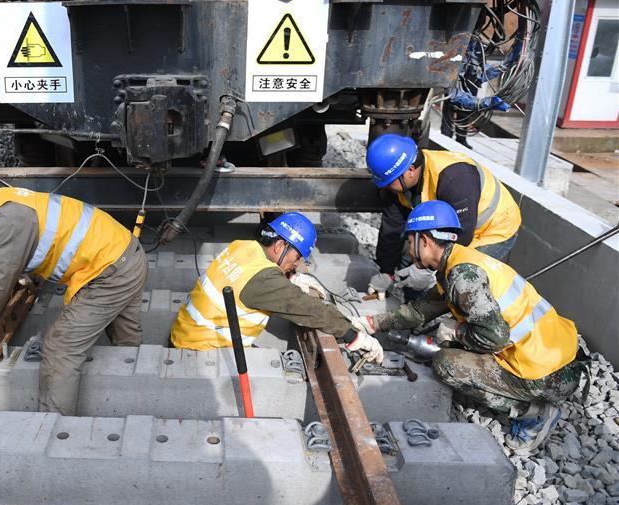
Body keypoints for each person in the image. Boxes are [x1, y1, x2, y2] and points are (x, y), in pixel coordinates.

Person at [353, 201, 582, 452]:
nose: (408, 248)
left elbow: (494, 337)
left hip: (548, 374)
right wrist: (373, 323)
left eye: (410, 241)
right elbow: (420, 311)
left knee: (446, 364)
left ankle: (534, 412)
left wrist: (458, 331)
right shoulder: (458, 263)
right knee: (456, 346)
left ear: (426, 240)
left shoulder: (463, 276)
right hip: (559, 355)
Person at [0, 187, 148, 416]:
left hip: (109, 273)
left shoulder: (8, 224)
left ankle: (54, 425)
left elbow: (1, 276)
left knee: (60, 348)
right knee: (126, 340)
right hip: (125, 254)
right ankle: (139, 397)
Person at [169, 212, 384, 365]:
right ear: (280, 246)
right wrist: (351, 334)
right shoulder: (263, 279)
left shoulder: (243, 247)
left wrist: (288, 280)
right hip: (201, 351)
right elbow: (308, 309)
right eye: (297, 257)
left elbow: (248, 281)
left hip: (186, 334)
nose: (296, 264)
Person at [364, 133, 521, 300]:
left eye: (388, 182)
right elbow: (392, 229)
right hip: (452, 225)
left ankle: (457, 322)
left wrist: (426, 270)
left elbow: (461, 237)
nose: (387, 187)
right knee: (413, 263)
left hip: (493, 229)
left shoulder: (455, 177)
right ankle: (413, 319)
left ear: (410, 170)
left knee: (460, 280)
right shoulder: (399, 184)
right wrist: (386, 271)